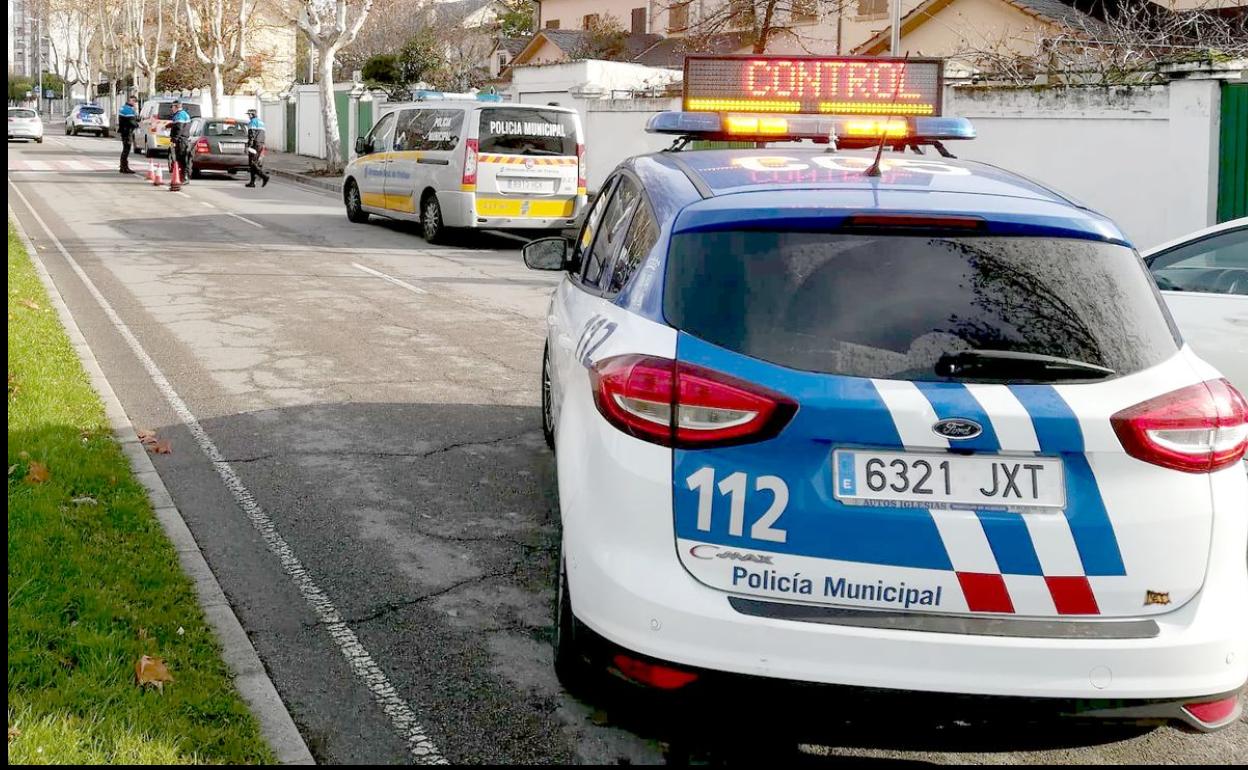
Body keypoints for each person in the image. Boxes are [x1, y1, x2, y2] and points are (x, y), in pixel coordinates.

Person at [168, 99, 193, 185]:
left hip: (181, 140)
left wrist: (174, 139)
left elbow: (179, 128)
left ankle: (184, 178)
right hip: (182, 140)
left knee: (182, 160)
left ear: (176, 107)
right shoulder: (182, 114)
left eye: (172, 107)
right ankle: (182, 177)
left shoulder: (180, 115)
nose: (172, 109)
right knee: (181, 159)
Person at [244, 108, 270, 188]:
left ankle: (264, 176)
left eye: (249, 114)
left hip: (255, 144)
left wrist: (249, 145)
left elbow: (251, 134)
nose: (248, 116)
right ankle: (252, 182)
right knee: (254, 162)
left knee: (252, 163)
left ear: (252, 115)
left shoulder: (252, 122)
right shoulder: (261, 122)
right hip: (261, 144)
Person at [117, 95, 139, 174]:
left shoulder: (123, 108)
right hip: (127, 131)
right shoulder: (128, 110)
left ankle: (122, 166)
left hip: (124, 131)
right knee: (126, 149)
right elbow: (132, 121)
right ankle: (124, 167)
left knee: (125, 149)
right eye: (134, 102)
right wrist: (137, 125)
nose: (135, 103)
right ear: (132, 101)